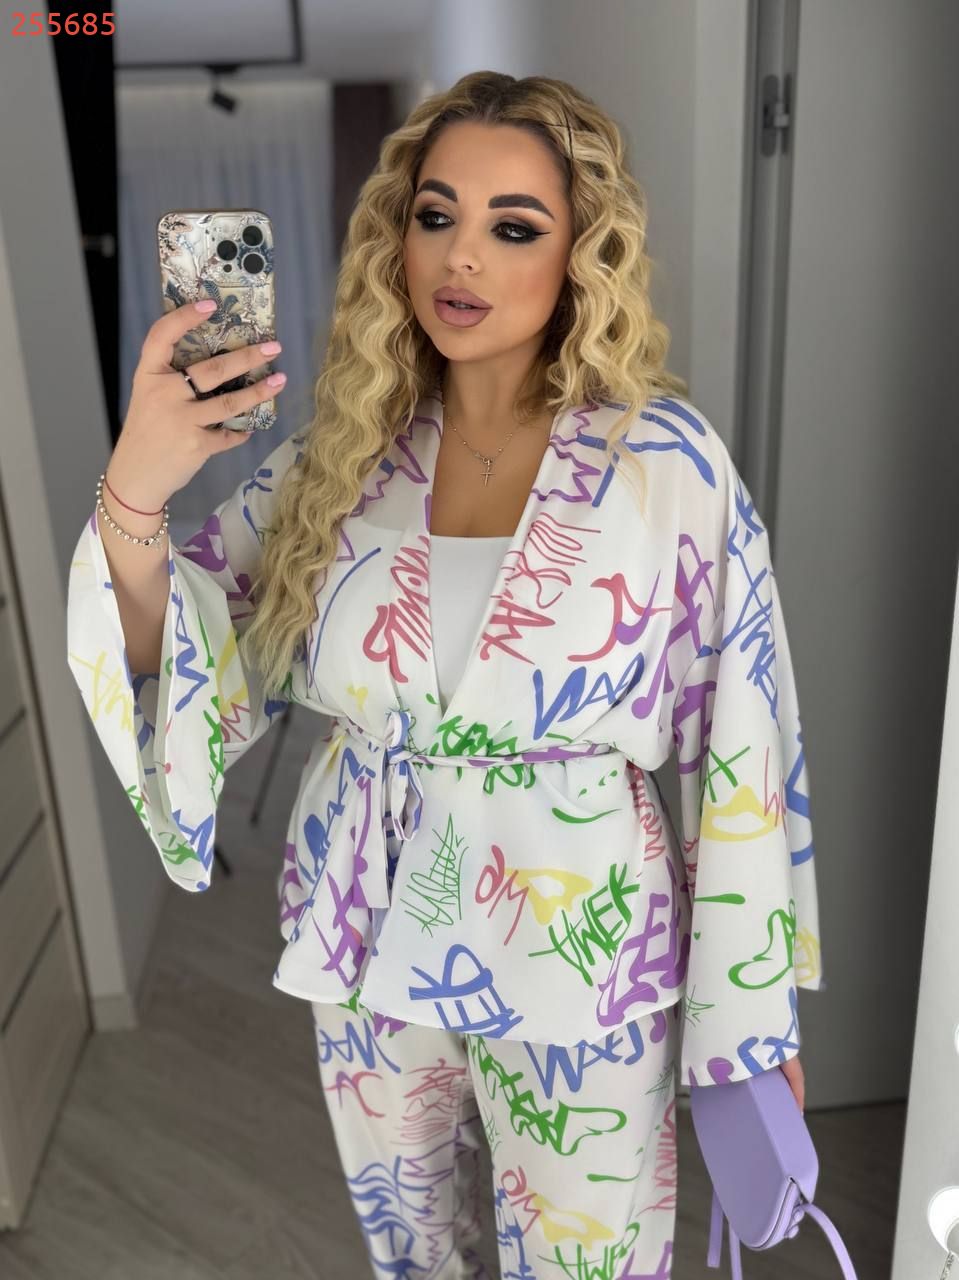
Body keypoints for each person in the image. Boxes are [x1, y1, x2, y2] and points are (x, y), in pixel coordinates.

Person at [67, 70, 823, 1280]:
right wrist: (137, 487)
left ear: (580, 252)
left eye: (512, 226)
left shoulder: (663, 465)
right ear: (397, 236)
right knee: (411, 1250)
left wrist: (751, 1014)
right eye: (434, 215)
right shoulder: (341, 456)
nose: (460, 255)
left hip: (581, 941)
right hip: (368, 922)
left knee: (588, 1261)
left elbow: (747, 748)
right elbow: (172, 645)